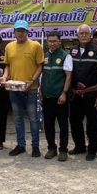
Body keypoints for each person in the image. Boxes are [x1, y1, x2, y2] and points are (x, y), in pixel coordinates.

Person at [2, 20, 46, 157]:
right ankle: (21, 145)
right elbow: (7, 65)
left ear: (27, 32)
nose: (20, 33)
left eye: (23, 31)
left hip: (30, 90)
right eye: (18, 31)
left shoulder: (35, 46)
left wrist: (31, 81)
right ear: (14, 32)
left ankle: (35, 146)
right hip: (14, 89)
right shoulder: (9, 47)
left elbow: (40, 66)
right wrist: (4, 77)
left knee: (33, 119)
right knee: (18, 119)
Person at [68, 24, 97, 161]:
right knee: (74, 121)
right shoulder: (72, 51)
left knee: (92, 123)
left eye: (86, 33)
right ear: (77, 35)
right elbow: (69, 73)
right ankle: (79, 146)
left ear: (90, 36)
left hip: (92, 94)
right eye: (81, 33)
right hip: (76, 95)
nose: (84, 35)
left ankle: (92, 150)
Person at [41, 30, 73, 160]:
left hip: (60, 97)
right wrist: (41, 91)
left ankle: (63, 150)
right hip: (47, 96)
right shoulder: (44, 56)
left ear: (60, 42)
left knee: (63, 125)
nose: (52, 43)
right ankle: (51, 148)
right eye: (50, 41)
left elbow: (69, 76)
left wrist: (64, 93)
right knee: (48, 125)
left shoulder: (66, 56)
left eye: (55, 41)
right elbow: (42, 75)